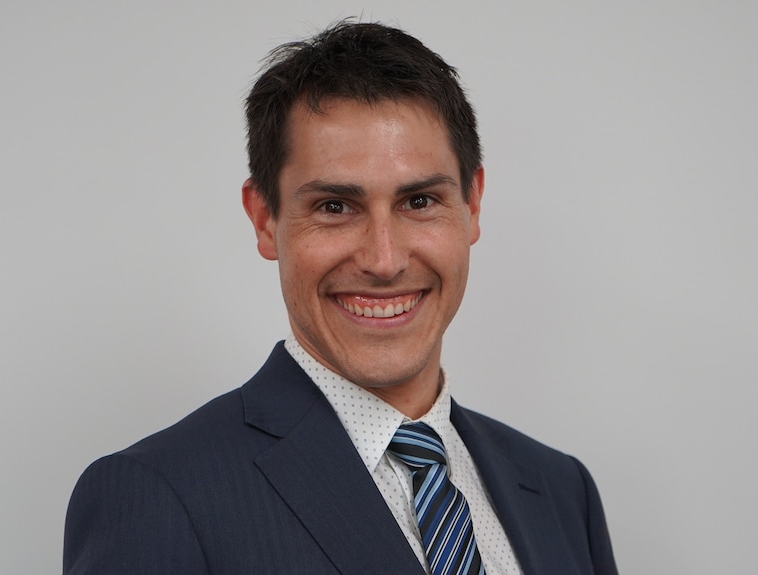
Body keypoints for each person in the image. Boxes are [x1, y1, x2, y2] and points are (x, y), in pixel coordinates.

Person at [63, 21, 618, 575]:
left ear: (472, 205)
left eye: (420, 200)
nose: (384, 259)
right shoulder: (159, 497)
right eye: (334, 206)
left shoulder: (561, 491)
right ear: (264, 219)